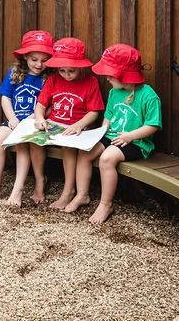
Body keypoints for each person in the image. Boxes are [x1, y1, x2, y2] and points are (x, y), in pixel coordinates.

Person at [65, 44, 162, 223]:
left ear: (124, 74)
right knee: (85, 152)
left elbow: (153, 125)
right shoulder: (114, 92)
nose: (107, 78)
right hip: (112, 136)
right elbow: (108, 118)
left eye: (110, 74)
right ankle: (82, 195)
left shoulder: (148, 95)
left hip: (136, 142)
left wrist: (130, 136)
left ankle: (105, 204)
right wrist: (99, 134)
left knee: (106, 158)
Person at [0, 30, 54, 205]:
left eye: (44, 60)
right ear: (26, 56)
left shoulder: (49, 78)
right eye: (34, 59)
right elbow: (5, 97)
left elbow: (51, 105)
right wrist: (12, 118)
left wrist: (36, 118)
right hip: (15, 120)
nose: (39, 64)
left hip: (36, 121)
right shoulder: (15, 72)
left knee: (22, 142)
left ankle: (18, 189)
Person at [32, 37, 104, 210]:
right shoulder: (54, 80)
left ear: (81, 66)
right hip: (54, 124)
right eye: (62, 70)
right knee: (34, 140)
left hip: (78, 127)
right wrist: (40, 118)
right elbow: (40, 105)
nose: (66, 75)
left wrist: (79, 124)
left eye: (71, 70)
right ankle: (39, 181)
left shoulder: (90, 82)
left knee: (68, 146)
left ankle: (68, 192)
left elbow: (94, 112)